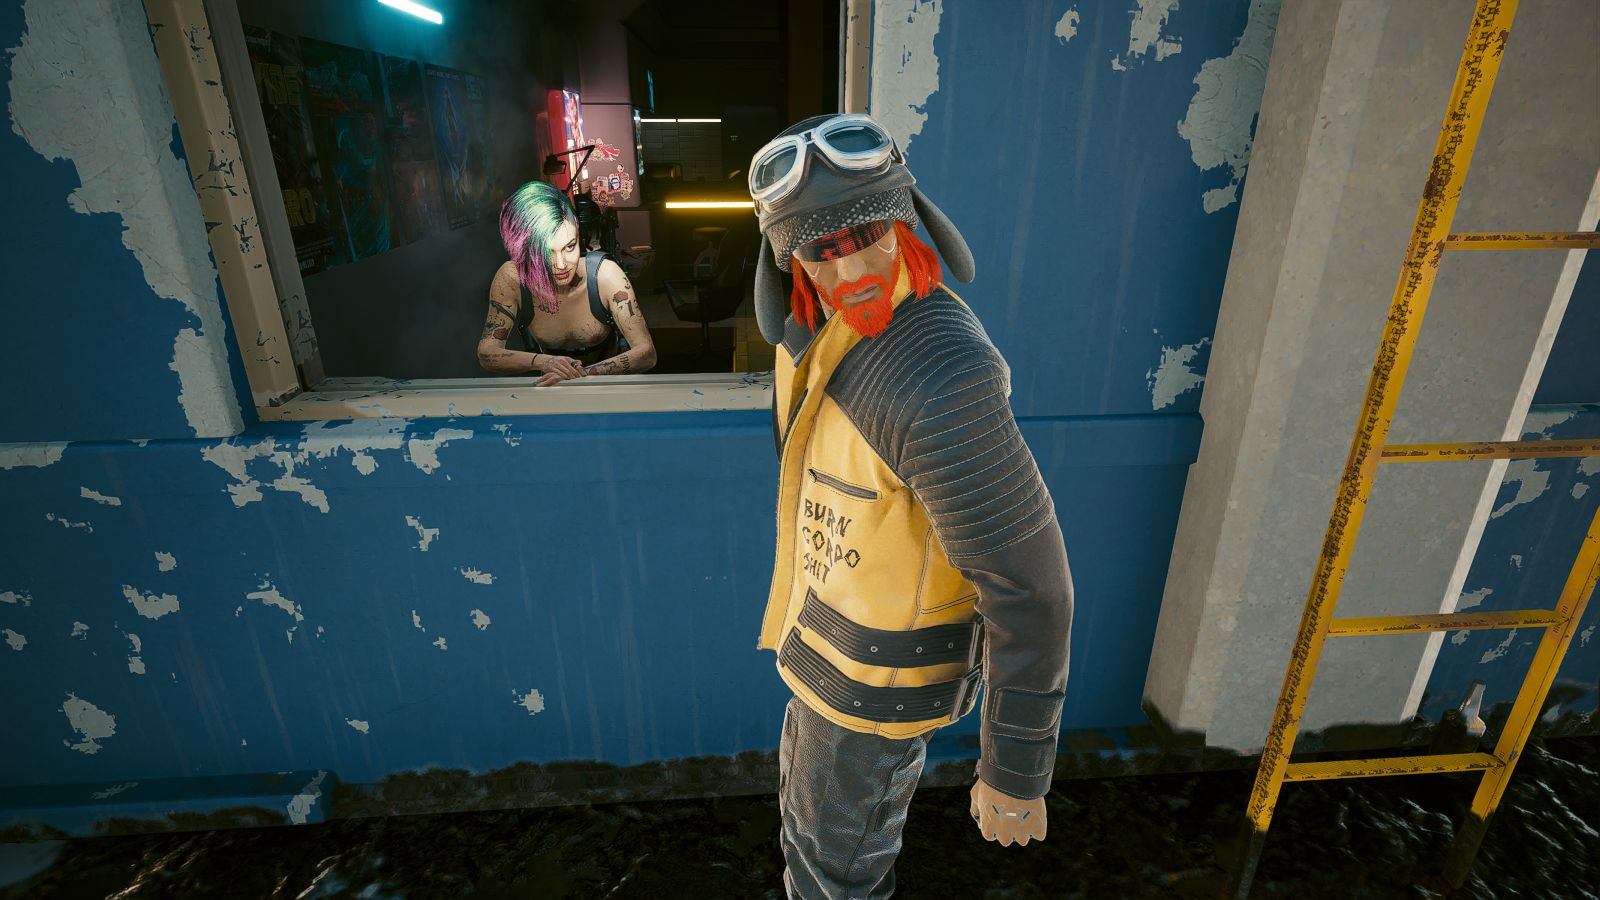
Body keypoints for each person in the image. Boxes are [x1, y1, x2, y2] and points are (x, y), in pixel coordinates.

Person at [749, 113, 1074, 898]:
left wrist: (1016, 769)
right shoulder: (819, 338)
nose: (851, 266)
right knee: (809, 847)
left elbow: (1032, 588)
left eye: (869, 234)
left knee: (834, 879)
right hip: (821, 665)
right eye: (821, 250)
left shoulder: (937, 374)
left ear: (907, 221)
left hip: (875, 695)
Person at [478, 181, 655, 384]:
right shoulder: (513, 277)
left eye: (570, 247)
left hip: (608, 386)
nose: (561, 264)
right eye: (547, 253)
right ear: (525, 252)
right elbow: (487, 353)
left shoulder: (605, 275)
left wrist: (581, 375)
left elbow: (647, 353)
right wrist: (544, 362)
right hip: (550, 386)